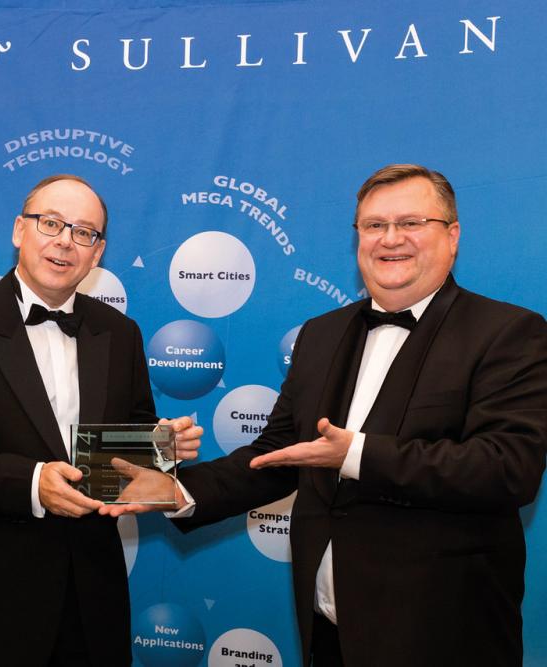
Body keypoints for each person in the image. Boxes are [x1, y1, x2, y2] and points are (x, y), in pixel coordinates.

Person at [106, 163, 547, 667]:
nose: (390, 239)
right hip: (330, 630)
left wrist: (355, 454)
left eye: (410, 223)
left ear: (452, 236)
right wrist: (178, 491)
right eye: (374, 225)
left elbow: (507, 468)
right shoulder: (321, 334)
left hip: (444, 633)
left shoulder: (508, 332)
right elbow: (276, 454)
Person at [0, 174, 203, 666]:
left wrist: (160, 448)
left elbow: (123, 453)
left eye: (84, 232)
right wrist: (32, 483)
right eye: (51, 223)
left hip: (92, 601)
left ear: (97, 253)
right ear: (20, 230)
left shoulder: (120, 333)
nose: (65, 241)